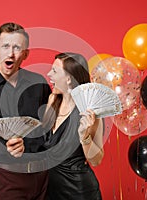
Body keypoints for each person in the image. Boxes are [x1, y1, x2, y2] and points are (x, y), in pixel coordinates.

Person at [0, 22, 51, 200]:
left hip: (45, 176)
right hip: (10, 179)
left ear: (25, 54)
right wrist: (9, 148)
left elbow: (49, 128)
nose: (11, 53)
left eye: (17, 47)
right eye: (5, 46)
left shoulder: (39, 83)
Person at [42, 52, 104, 199]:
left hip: (79, 191)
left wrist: (85, 137)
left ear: (69, 79)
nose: (49, 74)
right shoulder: (52, 100)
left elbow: (96, 160)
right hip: (50, 190)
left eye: (55, 71)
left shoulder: (89, 112)